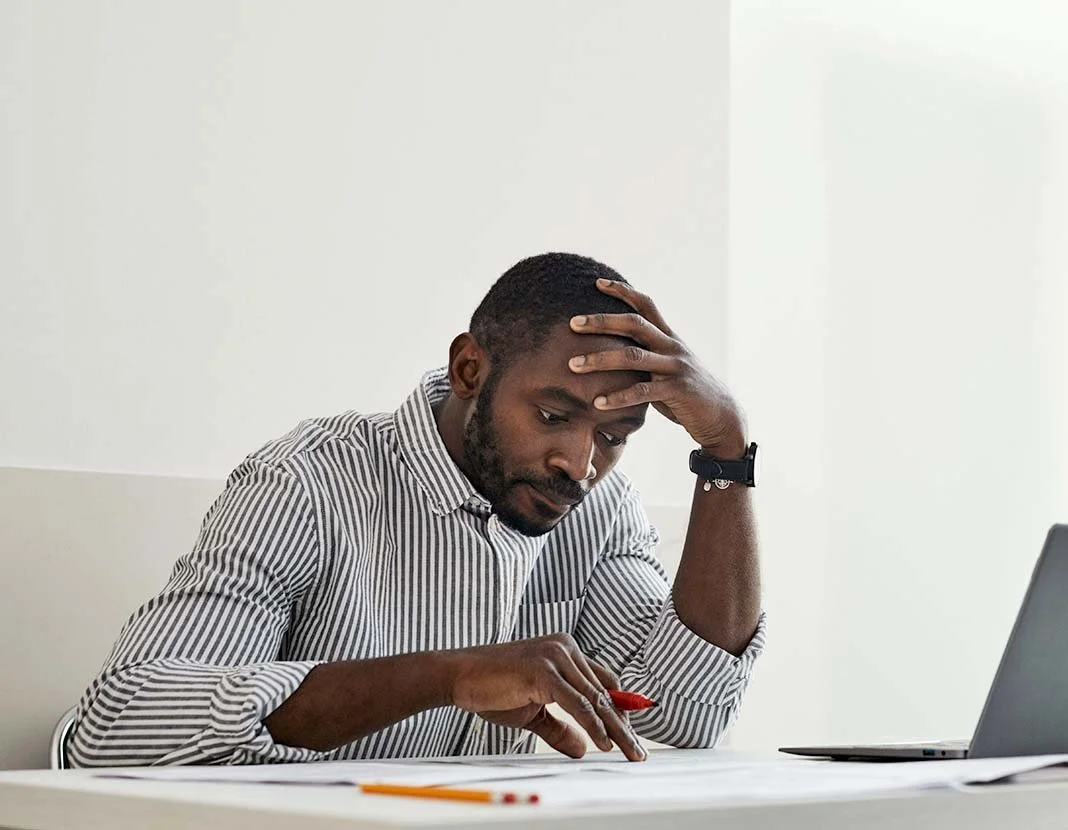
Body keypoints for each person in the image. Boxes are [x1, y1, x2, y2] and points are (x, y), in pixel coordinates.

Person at [68, 253, 765, 767]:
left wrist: (725, 450)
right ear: (469, 370)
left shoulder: (596, 506)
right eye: (553, 414)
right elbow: (115, 728)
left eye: (613, 437)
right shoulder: (308, 482)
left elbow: (685, 711)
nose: (579, 464)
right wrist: (449, 676)